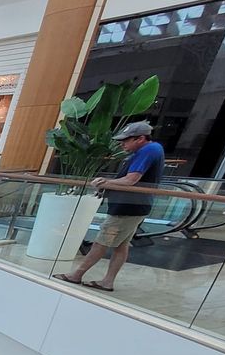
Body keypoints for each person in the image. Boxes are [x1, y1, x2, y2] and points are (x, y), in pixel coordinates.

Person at [54, 122, 165, 292]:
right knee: (121, 245)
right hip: (135, 206)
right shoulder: (148, 150)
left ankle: (76, 275)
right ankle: (107, 281)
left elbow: (131, 180)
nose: (122, 144)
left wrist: (106, 182)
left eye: (126, 140)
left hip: (128, 208)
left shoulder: (148, 150)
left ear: (141, 138)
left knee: (102, 241)